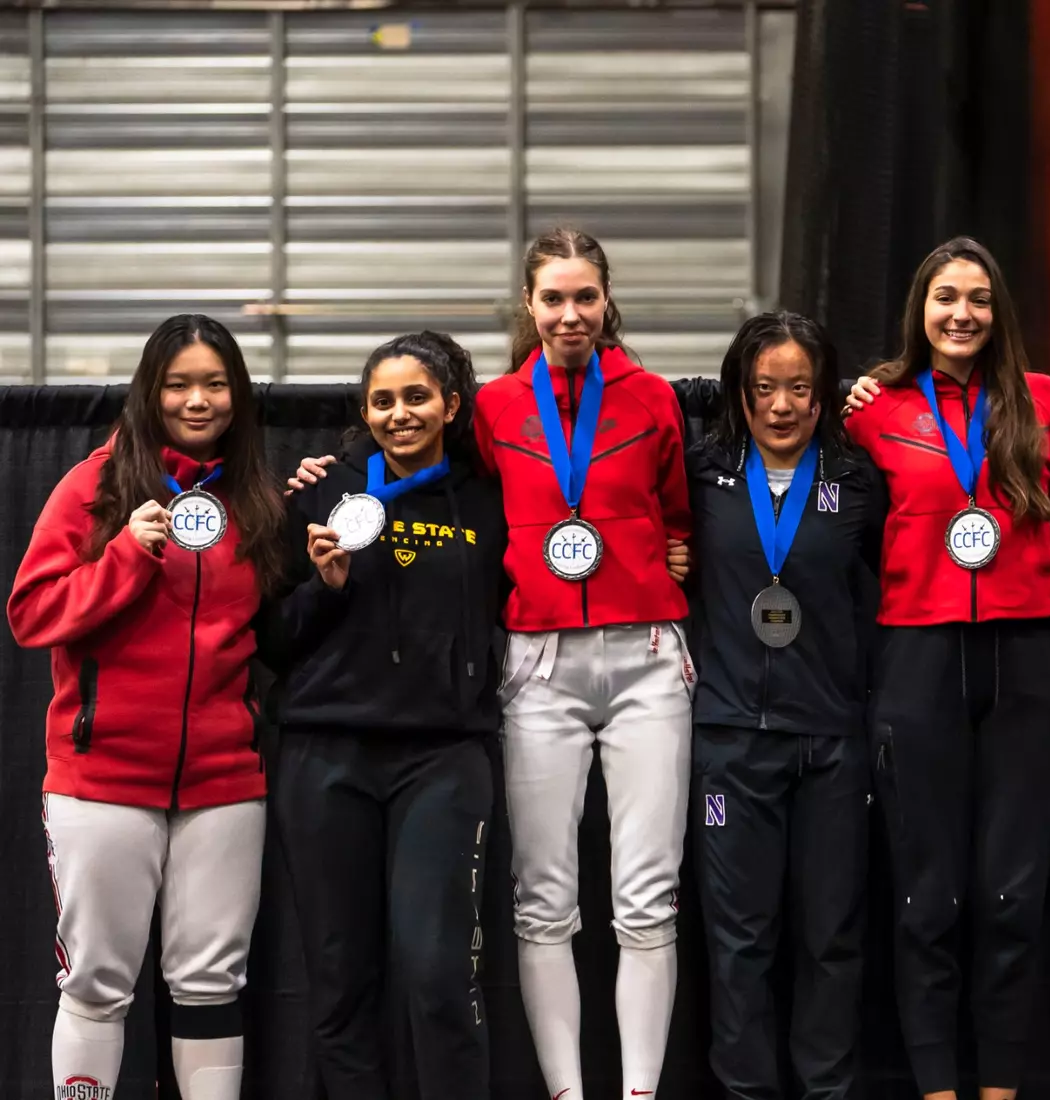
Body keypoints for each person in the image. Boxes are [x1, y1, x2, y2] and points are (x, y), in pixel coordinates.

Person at [287, 227, 693, 1100]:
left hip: (635, 659)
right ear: (529, 306)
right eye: (553, 298)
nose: (570, 314)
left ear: (607, 301)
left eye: (585, 297)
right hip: (525, 670)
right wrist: (333, 475)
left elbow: (673, 510)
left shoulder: (652, 398)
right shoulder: (491, 414)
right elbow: (400, 467)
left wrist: (672, 553)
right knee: (537, 904)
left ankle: (640, 1091)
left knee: (642, 900)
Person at [8, 314, 285, 1100]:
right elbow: (32, 614)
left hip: (225, 785)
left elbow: (272, 631)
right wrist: (126, 551)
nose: (199, 401)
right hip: (102, 779)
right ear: (149, 391)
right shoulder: (93, 486)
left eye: (215, 383)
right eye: (178, 384)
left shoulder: (254, 498)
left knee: (210, 983)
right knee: (96, 980)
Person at [842, 236, 1050, 1100]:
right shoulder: (874, 410)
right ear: (920, 309)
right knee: (926, 898)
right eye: (945, 297)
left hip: (1030, 656)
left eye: (977, 298)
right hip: (919, 655)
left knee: (1012, 897)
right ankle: (939, 1090)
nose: (962, 314)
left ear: (998, 310)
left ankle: (1002, 1088)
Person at [260, 332, 505, 1098]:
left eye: (417, 397)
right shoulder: (317, 494)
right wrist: (324, 587)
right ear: (365, 413)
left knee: (437, 974)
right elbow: (270, 639)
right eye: (382, 401)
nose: (400, 414)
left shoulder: (490, 500)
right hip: (325, 755)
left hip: (442, 758)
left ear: (450, 405)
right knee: (340, 979)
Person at [686, 311, 885, 1100]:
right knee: (739, 942)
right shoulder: (703, 475)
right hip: (731, 743)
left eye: (799, 388)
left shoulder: (859, 482)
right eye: (763, 387)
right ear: (740, 391)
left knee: (832, 939)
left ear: (823, 394)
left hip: (831, 743)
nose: (780, 405)